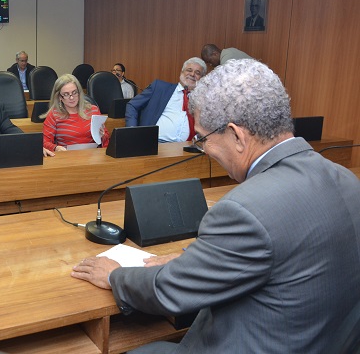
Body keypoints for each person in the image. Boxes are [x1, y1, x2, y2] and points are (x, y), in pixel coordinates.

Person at [71, 59, 360, 354]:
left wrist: (114, 276)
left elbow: (169, 291)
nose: (204, 150)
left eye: (202, 138)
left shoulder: (244, 210)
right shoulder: (348, 180)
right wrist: (198, 260)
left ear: (236, 135)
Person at [125, 57, 206, 142]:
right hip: (155, 143)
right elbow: (132, 105)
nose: (192, 74)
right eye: (189, 70)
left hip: (187, 146)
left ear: (202, 78)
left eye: (197, 73)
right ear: (182, 72)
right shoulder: (159, 87)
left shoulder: (203, 100)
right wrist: (132, 131)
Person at [42, 74, 109, 152]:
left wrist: (102, 136)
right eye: (66, 94)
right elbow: (45, 142)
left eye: (74, 92)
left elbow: (106, 137)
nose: (71, 97)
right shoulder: (54, 115)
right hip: (67, 156)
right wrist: (55, 148)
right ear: (59, 97)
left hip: (93, 155)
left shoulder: (93, 110)